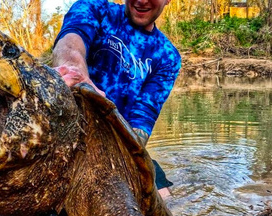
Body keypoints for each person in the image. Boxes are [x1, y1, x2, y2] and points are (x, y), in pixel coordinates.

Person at [52, 0, 180, 200]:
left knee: (165, 199)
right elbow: (72, 39)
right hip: (64, 139)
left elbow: (143, 118)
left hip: (117, 145)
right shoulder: (96, 9)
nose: (142, 0)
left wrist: (115, 159)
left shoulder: (167, 57)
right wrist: (73, 70)